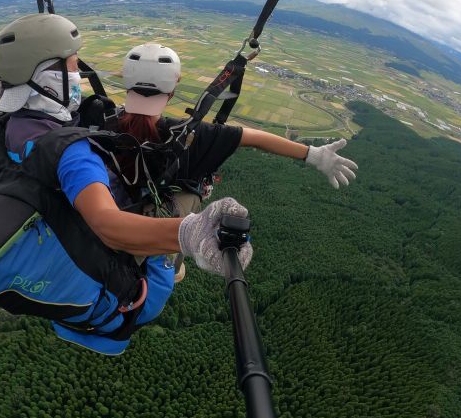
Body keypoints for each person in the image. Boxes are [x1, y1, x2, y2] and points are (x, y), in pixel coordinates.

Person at [0, 13, 253, 356]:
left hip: (65, 256)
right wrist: (191, 233)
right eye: (73, 68)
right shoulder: (73, 154)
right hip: (132, 300)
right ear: (47, 78)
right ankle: (170, 264)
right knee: (187, 195)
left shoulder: (7, 125)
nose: (79, 77)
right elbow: (108, 225)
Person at [114, 42, 359, 280]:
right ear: (173, 88)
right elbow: (255, 138)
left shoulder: (99, 121)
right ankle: (167, 267)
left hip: (109, 224)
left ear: (126, 82)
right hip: (157, 243)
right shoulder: (195, 137)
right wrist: (313, 155)